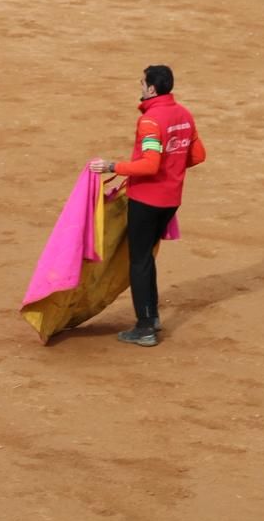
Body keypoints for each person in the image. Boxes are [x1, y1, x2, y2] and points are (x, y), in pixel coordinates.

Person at [86, 64, 206, 348]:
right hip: (171, 200)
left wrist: (111, 166)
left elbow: (150, 165)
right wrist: (174, 165)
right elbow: (198, 155)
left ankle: (145, 328)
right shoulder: (184, 115)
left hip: (147, 200)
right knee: (146, 258)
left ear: (151, 88)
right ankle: (151, 318)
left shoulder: (151, 121)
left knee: (138, 261)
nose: (140, 87)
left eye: (142, 83)